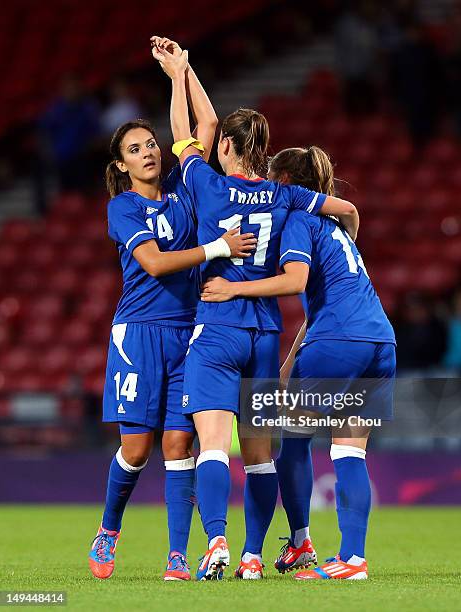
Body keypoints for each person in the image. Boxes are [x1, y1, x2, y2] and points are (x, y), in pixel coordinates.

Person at [157, 47, 359, 580]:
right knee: (262, 454)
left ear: (225, 145)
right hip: (266, 333)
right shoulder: (283, 195)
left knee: (214, 447)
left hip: (219, 326)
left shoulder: (206, 182)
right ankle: (252, 555)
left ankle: (216, 542)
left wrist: (179, 77)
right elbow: (341, 210)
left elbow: (185, 130)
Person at [88, 38, 257, 582]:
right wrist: (216, 249)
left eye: (151, 144)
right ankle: (109, 528)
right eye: (135, 149)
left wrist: (182, 74)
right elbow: (157, 264)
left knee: (179, 442)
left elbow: (204, 129)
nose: (149, 151)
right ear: (122, 164)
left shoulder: (186, 190)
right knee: (135, 449)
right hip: (137, 332)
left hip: (189, 332)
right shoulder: (122, 207)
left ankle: (178, 554)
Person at [201, 145, 396, 580]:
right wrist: (290, 362)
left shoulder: (297, 221)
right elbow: (318, 305)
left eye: (273, 178)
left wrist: (232, 290)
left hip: (338, 340)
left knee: (292, 439)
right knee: (348, 451)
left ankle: (300, 540)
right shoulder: (337, 228)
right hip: (379, 338)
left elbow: (296, 281)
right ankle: (354, 560)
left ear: (284, 183)